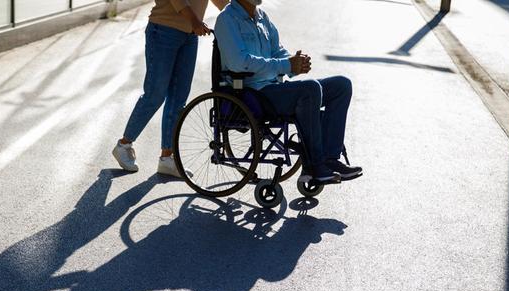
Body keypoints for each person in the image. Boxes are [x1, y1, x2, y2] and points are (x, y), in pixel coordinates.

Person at [214, 0, 362, 183]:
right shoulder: (227, 19)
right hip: (251, 93)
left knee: (341, 85)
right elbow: (238, 62)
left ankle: (330, 159)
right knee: (310, 90)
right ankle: (315, 164)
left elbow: (278, 52)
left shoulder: (261, 17)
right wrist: (285, 65)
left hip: (274, 87)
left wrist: (294, 64)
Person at [112, 0, 229, 177]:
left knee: (178, 97)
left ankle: (167, 158)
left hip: (190, 35)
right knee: (155, 94)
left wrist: (239, 12)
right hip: (164, 30)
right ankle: (124, 144)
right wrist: (194, 21)